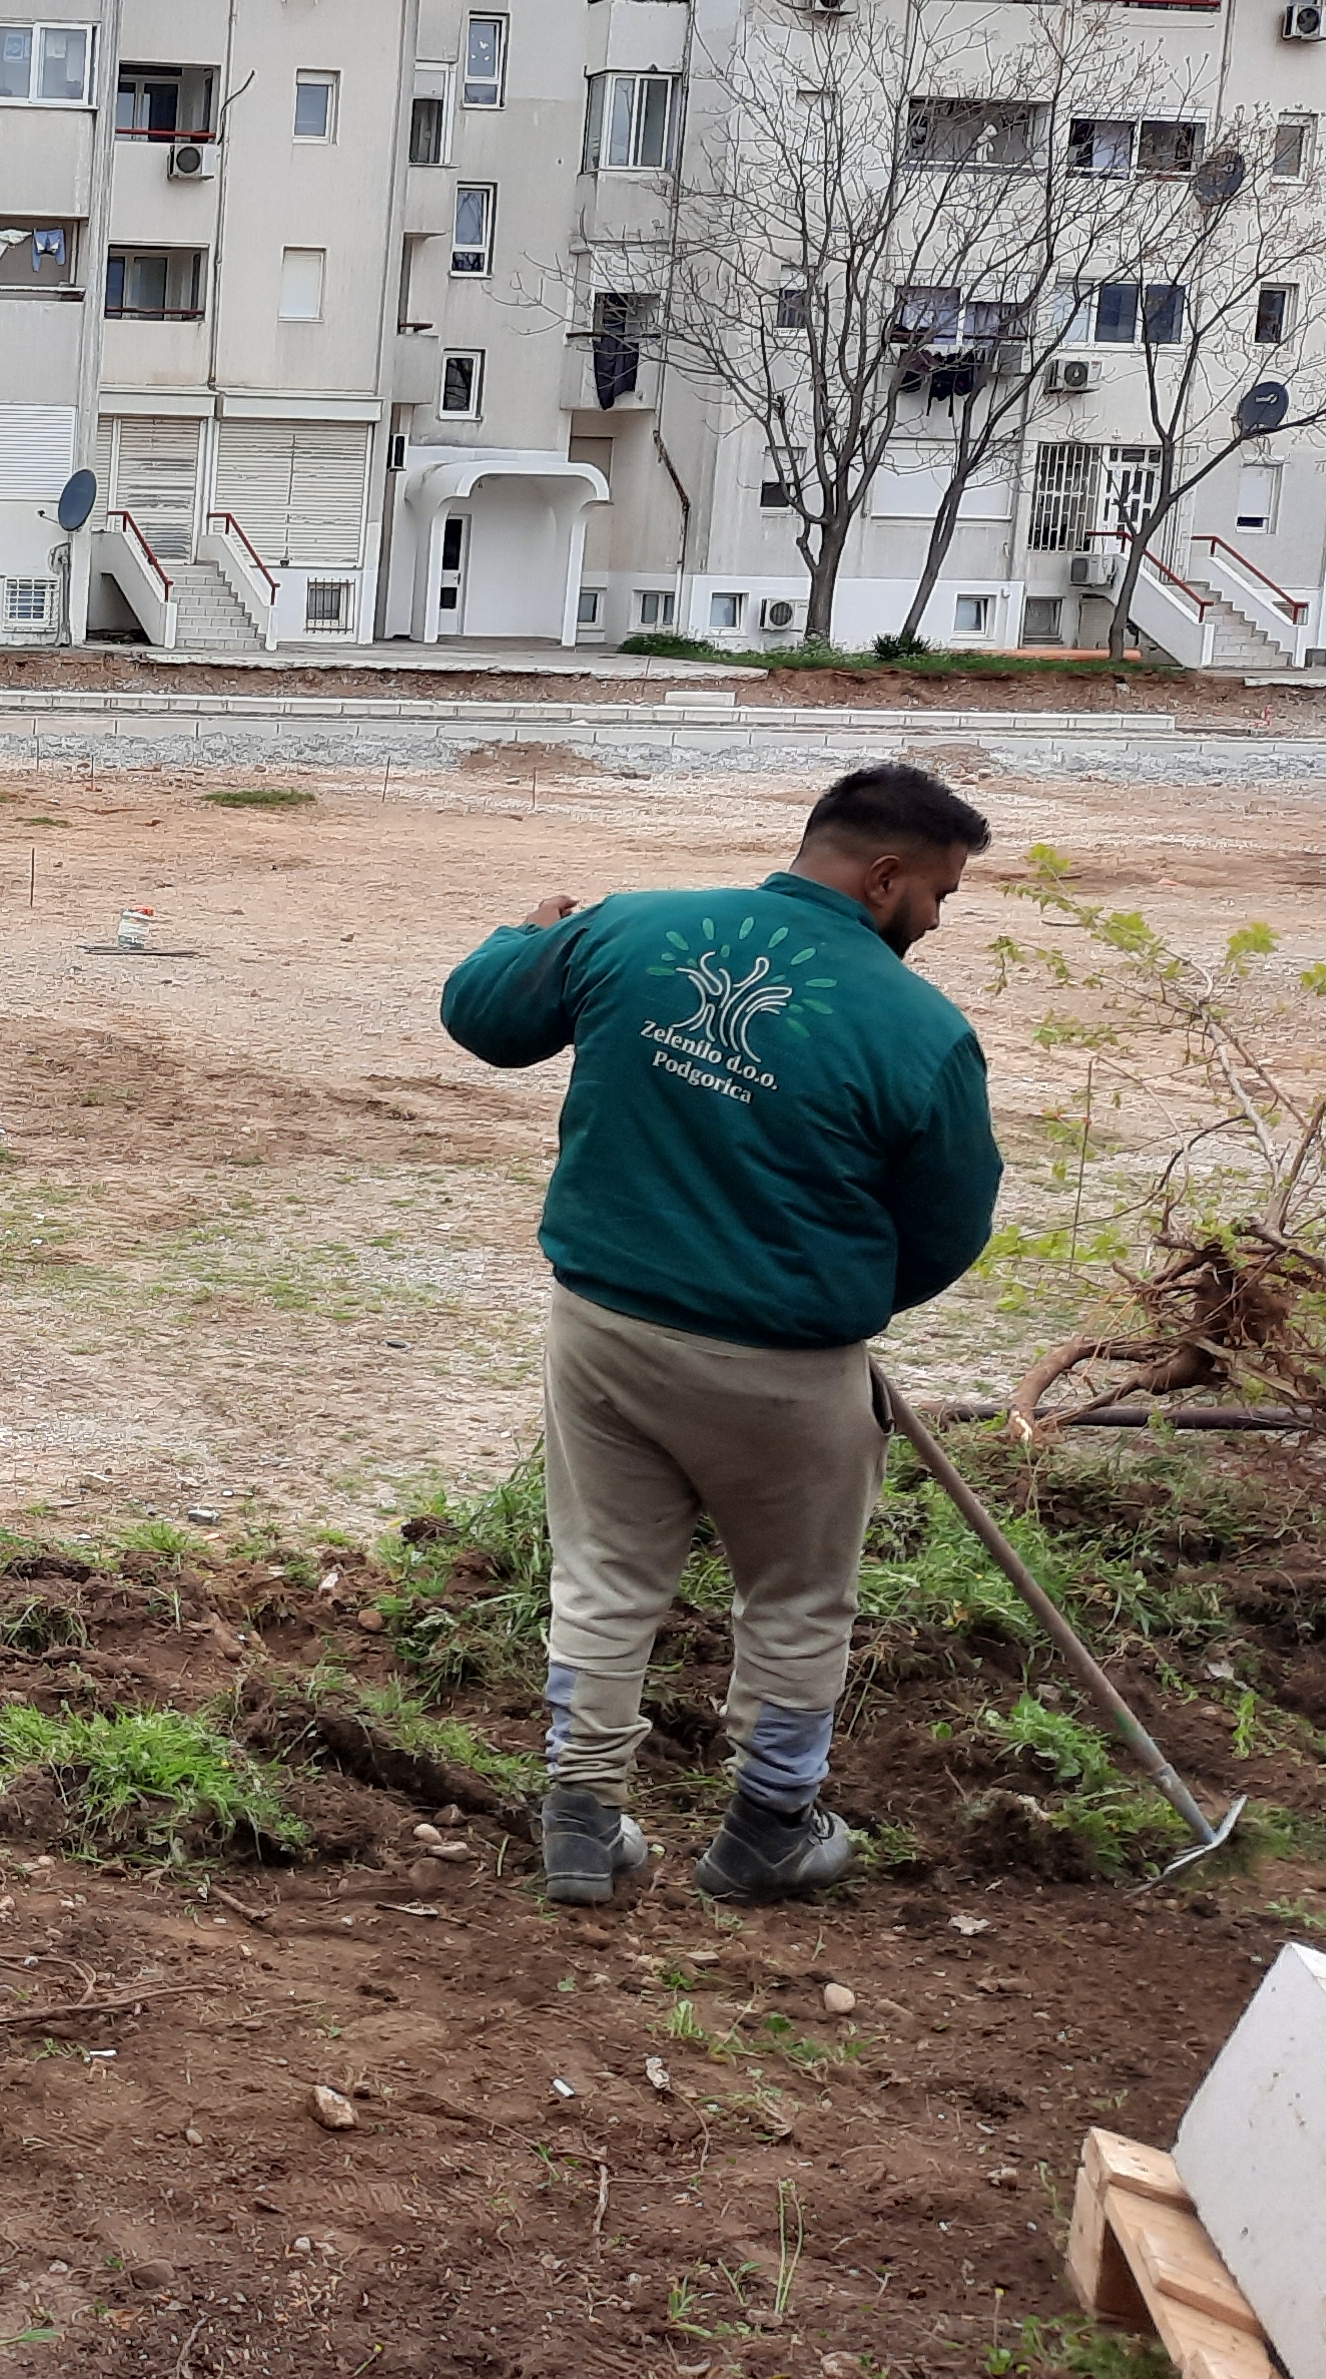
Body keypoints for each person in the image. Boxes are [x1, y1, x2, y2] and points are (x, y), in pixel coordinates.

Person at [439, 760, 1003, 1908]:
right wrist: (825, 1298)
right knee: (795, 1597)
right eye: (938, 894)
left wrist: (523, 933)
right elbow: (947, 1229)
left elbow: (481, 1015)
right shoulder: (919, 1031)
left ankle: (581, 1828)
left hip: (604, 1332)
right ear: (884, 876)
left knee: (603, 1572)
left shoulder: (629, 931)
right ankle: (765, 1834)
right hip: (788, 1369)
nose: (935, 921)